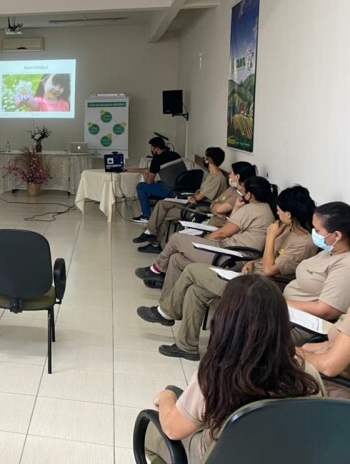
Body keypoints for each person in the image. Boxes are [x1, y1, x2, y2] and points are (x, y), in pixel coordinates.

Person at [144, 275, 323, 464]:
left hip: (217, 457)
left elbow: (173, 429)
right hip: (283, 456)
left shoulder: (217, 375)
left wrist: (166, 397)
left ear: (224, 320)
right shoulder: (307, 375)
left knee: (151, 432)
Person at [137, 186, 318, 360]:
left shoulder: (304, 243)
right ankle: (187, 347)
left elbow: (271, 270)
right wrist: (253, 262)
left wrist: (270, 237)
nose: (277, 213)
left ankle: (167, 312)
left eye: (279, 210)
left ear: (289, 214)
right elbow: (268, 258)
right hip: (248, 277)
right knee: (196, 291)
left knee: (192, 270)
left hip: (261, 290)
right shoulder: (286, 228)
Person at [136, 176, 277, 290]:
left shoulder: (252, 209)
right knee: (176, 259)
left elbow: (223, 232)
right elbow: (231, 224)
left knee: (176, 238)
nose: (242, 194)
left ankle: (156, 269)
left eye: (245, 192)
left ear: (250, 195)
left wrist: (204, 240)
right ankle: (167, 302)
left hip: (229, 255)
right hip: (232, 252)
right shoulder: (264, 210)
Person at [134, 147, 228, 252]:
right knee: (162, 204)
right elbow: (199, 192)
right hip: (194, 203)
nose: (204, 159)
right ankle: (150, 235)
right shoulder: (212, 175)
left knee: (164, 212)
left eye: (205, 157)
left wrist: (196, 197)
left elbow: (199, 196)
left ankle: (153, 241)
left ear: (209, 160)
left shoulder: (218, 178)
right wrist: (196, 196)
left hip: (199, 209)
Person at [285, 202, 350, 344]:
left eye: (317, 230)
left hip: (301, 325)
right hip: (287, 311)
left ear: (337, 235)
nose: (313, 233)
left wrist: (279, 303)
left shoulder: (346, 265)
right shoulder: (330, 251)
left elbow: (326, 310)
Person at [126, 137, 181, 223]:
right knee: (158, 183)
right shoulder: (175, 155)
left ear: (156, 148)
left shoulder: (157, 159)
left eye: (152, 148)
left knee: (141, 186)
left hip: (170, 190)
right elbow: (152, 169)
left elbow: (149, 182)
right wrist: (133, 170)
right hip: (181, 188)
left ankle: (146, 215)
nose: (151, 150)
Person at [203, 161, 255, 227]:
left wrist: (216, 207)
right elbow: (213, 203)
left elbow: (219, 209)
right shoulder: (232, 188)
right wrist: (216, 208)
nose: (229, 175)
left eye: (231, 173)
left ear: (237, 176)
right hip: (210, 223)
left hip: (217, 229)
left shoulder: (241, 195)